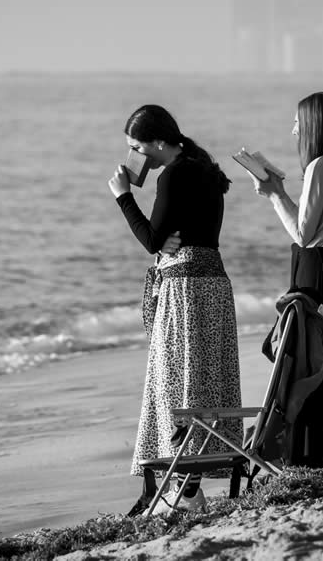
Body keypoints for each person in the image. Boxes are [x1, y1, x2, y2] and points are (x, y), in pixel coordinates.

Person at [108, 104, 241, 513]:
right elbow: (175, 234)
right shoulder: (203, 167)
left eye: (136, 147)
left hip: (184, 290)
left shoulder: (173, 175)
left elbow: (152, 240)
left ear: (159, 144)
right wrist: (163, 237)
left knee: (174, 385)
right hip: (214, 286)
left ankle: (183, 491)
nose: (134, 156)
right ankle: (187, 485)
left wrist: (123, 196)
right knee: (202, 385)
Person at [250, 92, 323, 467]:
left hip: (318, 266)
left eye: (298, 122)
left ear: (314, 125)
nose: (294, 129)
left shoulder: (322, 167)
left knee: (309, 355)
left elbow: (303, 233)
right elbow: (316, 227)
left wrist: (274, 194)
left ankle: (311, 454)